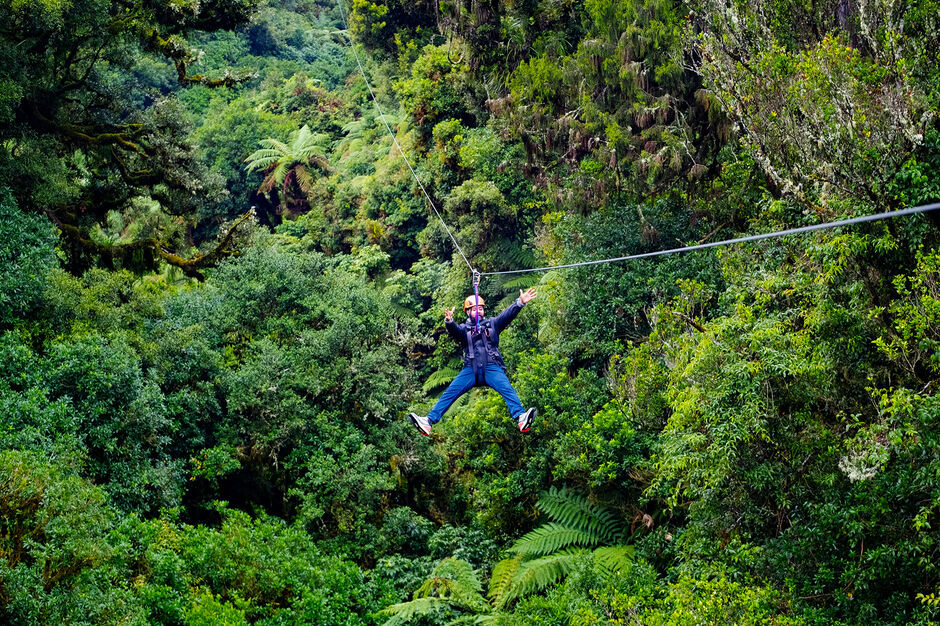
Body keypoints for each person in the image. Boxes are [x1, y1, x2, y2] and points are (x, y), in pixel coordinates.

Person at [409, 288, 538, 435]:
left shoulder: (493, 324)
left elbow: (507, 315)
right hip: (471, 369)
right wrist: (449, 322)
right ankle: (428, 421)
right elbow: (455, 331)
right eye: (475, 309)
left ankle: (521, 418)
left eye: (481, 308)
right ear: (467, 312)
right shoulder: (464, 330)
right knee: (450, 392)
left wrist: (519, 303)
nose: (479, 311)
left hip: (492, 366)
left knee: (507, 389)